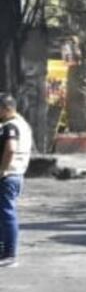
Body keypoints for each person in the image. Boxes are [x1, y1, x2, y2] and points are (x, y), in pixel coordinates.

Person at [0, 93, 32, 268]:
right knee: (3, 215)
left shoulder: (10, 126)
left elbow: (11, 149)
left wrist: (2, 170)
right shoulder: (21, 124)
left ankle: (9, 254)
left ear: (6, 108)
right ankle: (4, 251)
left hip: (8, 176)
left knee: (6, 214)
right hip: (15, 174)